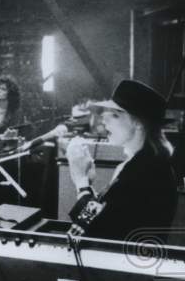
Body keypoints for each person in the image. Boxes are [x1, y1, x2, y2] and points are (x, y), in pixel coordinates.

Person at [66, 79, 177, 241]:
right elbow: (111, 215)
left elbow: (99, 231)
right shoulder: (141, 163)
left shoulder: (146, 171)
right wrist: (88, 187)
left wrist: (81, 183)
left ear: (139, 123)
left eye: (115, 115)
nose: (104, 121)